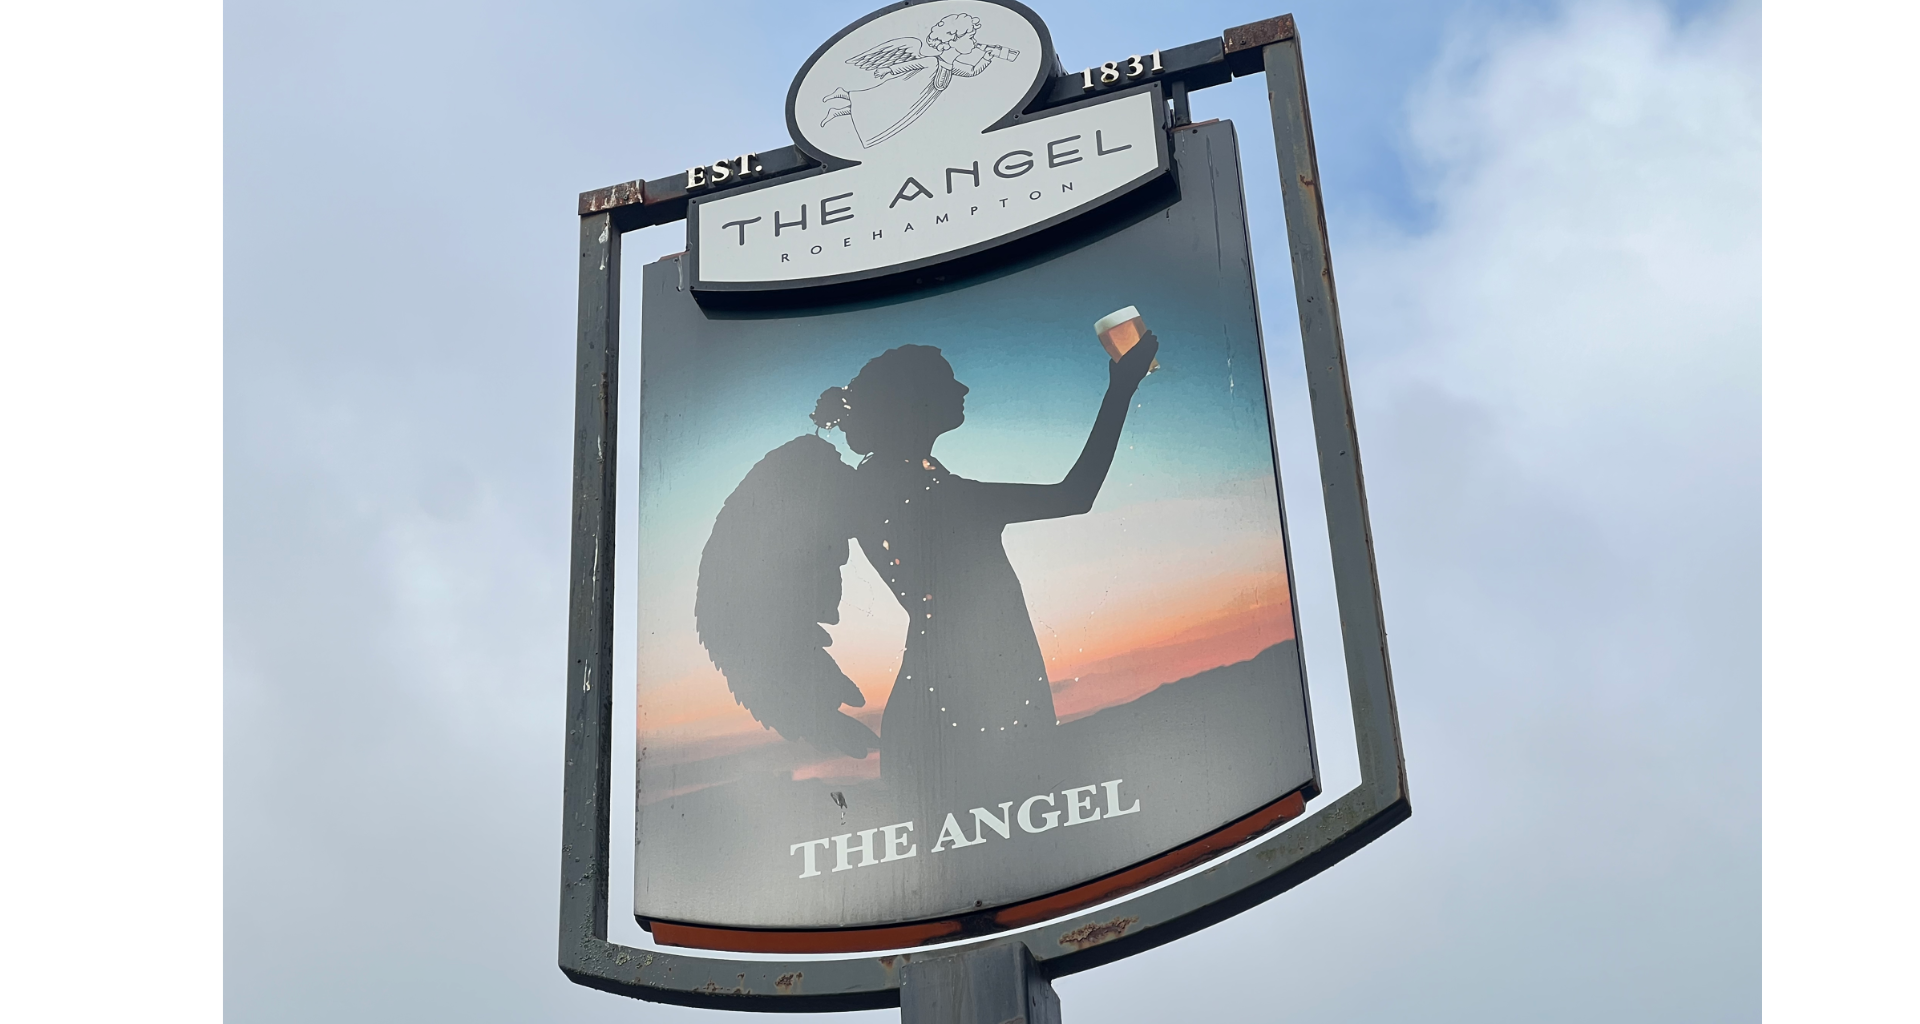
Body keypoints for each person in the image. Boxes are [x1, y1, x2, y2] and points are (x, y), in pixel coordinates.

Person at [697, 331, 1159, 804]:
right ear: (912, 404)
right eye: (947, 382)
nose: (962, 391)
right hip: (970, 710)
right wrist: (1121, 389)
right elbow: (1074, 495)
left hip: (948, 700)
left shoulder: (888, 488)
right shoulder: (938, 497)